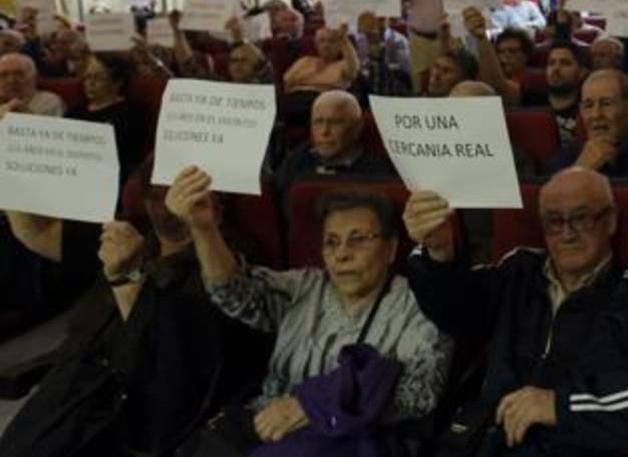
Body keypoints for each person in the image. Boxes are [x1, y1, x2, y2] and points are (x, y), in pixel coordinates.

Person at [400, 168, 628, 454]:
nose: (567, 234)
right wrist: (439, 250)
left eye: (581, 219)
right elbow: (458, 312)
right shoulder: (519, 270)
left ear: (610, 220)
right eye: (554, 221)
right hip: (492, 441)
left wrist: (561, 406)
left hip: (584, 445)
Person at [171, 173, 453, 452]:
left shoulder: (418, 302)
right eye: (331, 242)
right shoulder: (303, 286)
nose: (342, 254)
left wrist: (315, 405)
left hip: (348, 440)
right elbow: (231, 291)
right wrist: (203, 230)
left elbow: (417, 396)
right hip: (264, 428)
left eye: (358, 239)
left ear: (390, 249)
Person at [0, 162, 266, 457]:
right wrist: (12, 158)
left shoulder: (227, 260)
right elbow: (37, 232)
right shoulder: (130, 233)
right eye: (156, 189)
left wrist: (127, 278)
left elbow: (170, 366)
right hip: (71, 386)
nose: (166, 197)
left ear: (215, 203)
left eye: (178, 187)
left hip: (133, 413)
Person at [272, 90, 393, 209]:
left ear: (357, 128)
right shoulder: (296, 161)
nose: (324, 131)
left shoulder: (378, 170)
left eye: (335, 123)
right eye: (318, 122)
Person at [547, 69, 628, 178]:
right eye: (588, 106)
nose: (596, 115)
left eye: (606, 104)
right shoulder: (564, 160)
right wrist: (580, 169)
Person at [69, 53, 143, 184]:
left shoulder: (129, 113)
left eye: (97, 78)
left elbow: (124, 157)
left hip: (106, 178)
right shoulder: (75, 111)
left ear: (117, 82)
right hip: (72, 174)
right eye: (87, 77)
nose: (90, 83)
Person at [355, 12, 413, 97]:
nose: (377, 25)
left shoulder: (398, 41)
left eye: (380, 20)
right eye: (369, 24)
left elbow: (405, 69)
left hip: (390, 86)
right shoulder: (356, 41)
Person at [0, 52, 65, 117]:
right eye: (3, 75)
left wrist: (24, 113)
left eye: (19, 74)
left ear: (35, 77)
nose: (11, 80)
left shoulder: (49, 101)